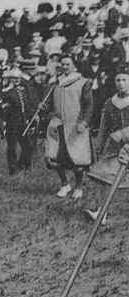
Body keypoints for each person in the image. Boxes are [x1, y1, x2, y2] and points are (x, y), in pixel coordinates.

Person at [84, 65, 129, 220]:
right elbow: (104, 128)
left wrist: (123, 133)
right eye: (118, 80)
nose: (121, 83)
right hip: (117, 150)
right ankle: (101, 212)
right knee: (103, 175)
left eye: (124, 80)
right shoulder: (110, 103)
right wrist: (99, 146)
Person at [45, 55, 94, 199]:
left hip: (75, 127)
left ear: (75, 66)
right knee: (56, 158)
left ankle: (79, 187)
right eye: (63, 64)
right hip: (58, 125)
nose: (65, 67)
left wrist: (84, 123)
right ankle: (65, 184)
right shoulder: (56, 83)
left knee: (77, 160)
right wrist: (44, 107)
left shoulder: (83, 83)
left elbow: (89, 105)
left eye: (68, 64)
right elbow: (50, 103)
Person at [0, 67, 38, 174]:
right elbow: (4, 109)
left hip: (22, 122)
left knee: (28, 145)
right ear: (10, 79)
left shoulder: (23, 90)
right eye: (15, 78)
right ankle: (13, 169)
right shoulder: (6, 92)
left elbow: (27, 106)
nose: (17, 80)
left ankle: (22, 164)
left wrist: (32, 115)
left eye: (19, 78)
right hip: (12, 124)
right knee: (12, 147)